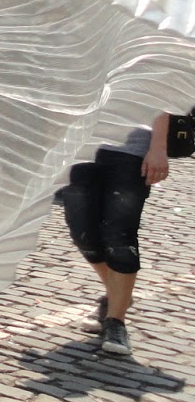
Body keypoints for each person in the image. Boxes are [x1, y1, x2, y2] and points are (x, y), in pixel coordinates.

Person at [56, 111, 171, 356]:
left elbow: (161, 96)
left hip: (131, 152)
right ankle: (117, 294)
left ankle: (115, 321)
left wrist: (158, 148)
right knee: (82, 232)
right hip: (81, 146)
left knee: (120, 236)